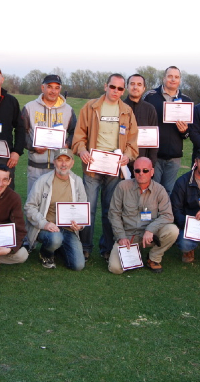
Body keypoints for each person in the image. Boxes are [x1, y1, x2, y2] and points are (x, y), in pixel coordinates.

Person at [71, 73, 138, 261]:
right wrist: (82, 150)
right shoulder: (90, 107)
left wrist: (127, 155)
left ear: (123, 91)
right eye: (112, 87)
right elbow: (79, 135)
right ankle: (85, 247)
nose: (116, 91)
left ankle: (107, 248)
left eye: (120, 88)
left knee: (110, 210)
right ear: (105, 86)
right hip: (92, 166)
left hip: (114, 168)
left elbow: (133, 141)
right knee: (89, 208)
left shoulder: (127, 111)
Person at [107, 157, 179, 274]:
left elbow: (167, 215)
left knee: (173, 230)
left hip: (151, 236)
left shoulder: (160, 190)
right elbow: (113, 213)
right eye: (137, 170)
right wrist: (121, 236)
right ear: (133, 172)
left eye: (145, 170)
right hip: (128, 236)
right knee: (115, 269)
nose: (141, 173)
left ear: (152, 172)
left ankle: (154, 257)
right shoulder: (122, 187)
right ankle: (135, 252)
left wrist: (151, 229)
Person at [24, 149, 87, 271]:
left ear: (72, 163)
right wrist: (45, 224)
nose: (63, 164)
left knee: (78, 265)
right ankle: (46, 253)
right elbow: (29, 207)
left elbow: (82, 209)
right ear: (54, 162)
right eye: (60, 160)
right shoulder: (43, 180)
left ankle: (58, 248)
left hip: (68, 229)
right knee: (55, 238)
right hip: (47, 228)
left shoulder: (77, 181)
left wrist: (80, 225)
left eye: (67, 160)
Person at [21, 74, 77, 194]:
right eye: (50, 87)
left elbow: (75, 132)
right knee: (34, 201)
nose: (53, 91)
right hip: (35, 167)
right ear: (43, 88)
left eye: (57, 88)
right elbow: (22, 133)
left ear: (60, 89)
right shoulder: (29, 107)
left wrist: (67, 145)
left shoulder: (68, 109)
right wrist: (33, 147)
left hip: (59, 167)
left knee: (55, 202)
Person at [144, 66, 192, 194]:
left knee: (168, 191)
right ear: (164, 78)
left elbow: (188, 133)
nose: (173, 79)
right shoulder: (150, 96)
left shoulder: (186, 100)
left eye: (176, 77)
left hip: (174, 156)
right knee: (152, 190)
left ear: (180, 80)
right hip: (154, 154)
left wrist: (184, 131)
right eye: (170, 76)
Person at [123, 74, 159, 175]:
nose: (135, 87)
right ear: (127, 87)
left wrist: (151, 164)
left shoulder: (150, 109)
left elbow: (154, 141)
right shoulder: (119, 107)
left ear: (144, 88)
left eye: (139, 84)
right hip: (122, 162)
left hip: (142, 164)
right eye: (132, 84)